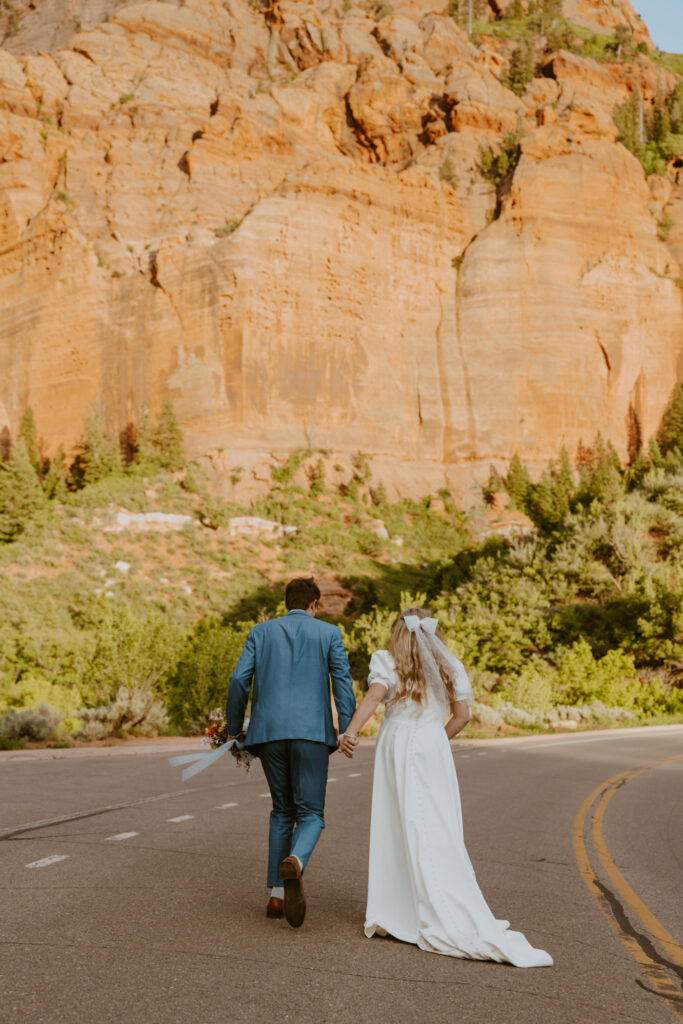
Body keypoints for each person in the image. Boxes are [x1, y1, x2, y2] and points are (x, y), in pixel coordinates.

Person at [339, 607, 553, 968]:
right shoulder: (449, 665)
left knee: (398, 823)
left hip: (396, 742)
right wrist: (435, 739)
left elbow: (375, 698)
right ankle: (431, 900)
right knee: (433, 823)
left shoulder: (387, 660)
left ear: (398, 633)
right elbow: (463, 715)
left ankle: (396, 911)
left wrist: (351, 732)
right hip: (430, 744)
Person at [225, 576, 356, 928]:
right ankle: (296, 861)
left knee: (282, 811)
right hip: (312, 735)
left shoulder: (260, 632)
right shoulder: (328, 634)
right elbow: (342, 681)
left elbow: (239, 680)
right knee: (311, 813)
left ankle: (277, 896)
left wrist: (234, 730)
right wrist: (347, 729)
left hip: (267, 734)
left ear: (286, 603)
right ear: (314, 604)